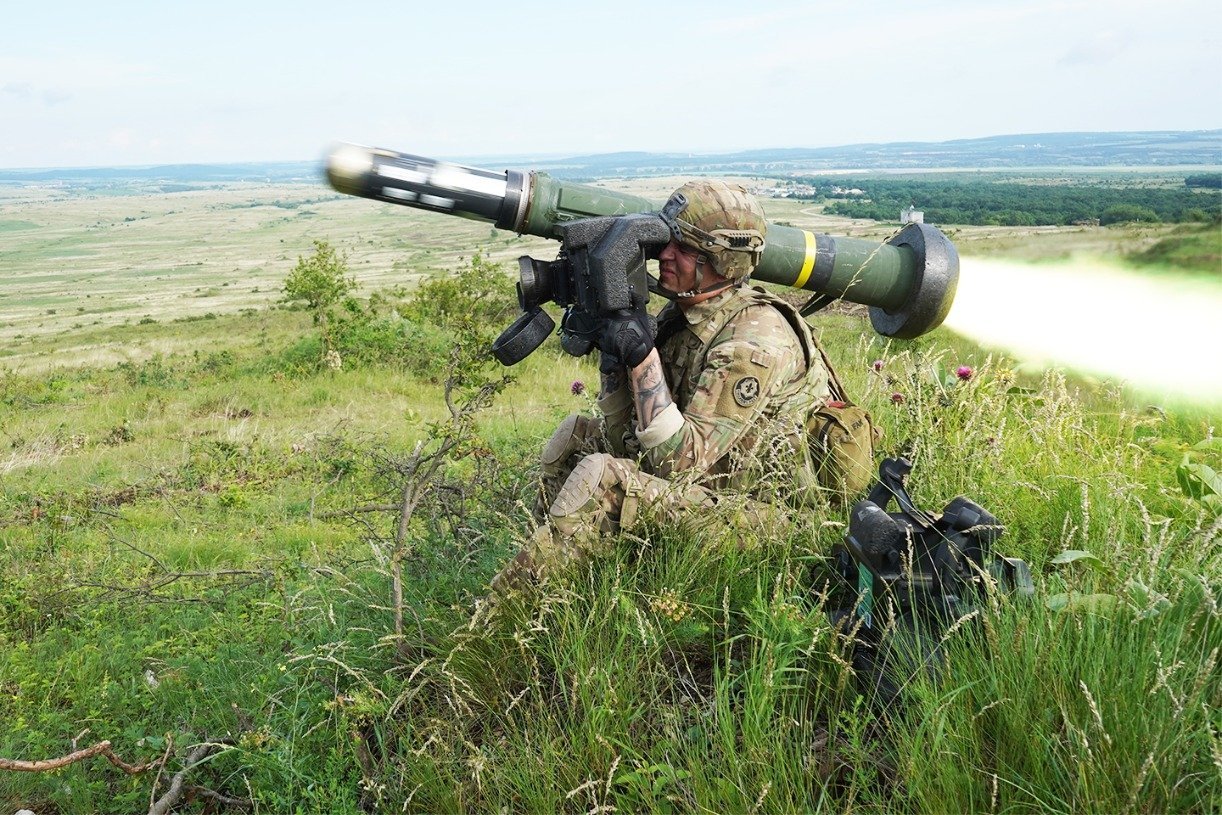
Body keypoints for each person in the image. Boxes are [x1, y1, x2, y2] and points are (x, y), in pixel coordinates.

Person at [493, 180, 835, 590]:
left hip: (764, 519)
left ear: (724, 261)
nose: (665, 255)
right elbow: (623, 435)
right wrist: (611, 350)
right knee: (575, 436)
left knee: (607, 478)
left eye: (684, 248)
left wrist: (641, 358)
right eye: (666, 241)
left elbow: (680, 466)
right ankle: (552, 576)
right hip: (710, 485)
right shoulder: (685, 315)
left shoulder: (754, 339)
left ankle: (503, 614)